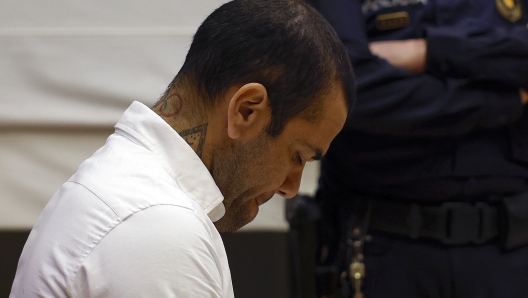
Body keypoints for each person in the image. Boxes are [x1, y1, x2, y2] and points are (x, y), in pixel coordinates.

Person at [9, 0, 355, 297]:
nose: (291, 188)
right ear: (246, 110)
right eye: (298, 156)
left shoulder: (129, 191)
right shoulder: (157, 227)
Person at [301, 0, 528, 297]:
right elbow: (341, 85)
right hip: (379, 247)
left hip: (510, 249)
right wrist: (502, 101)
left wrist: (426, 52)